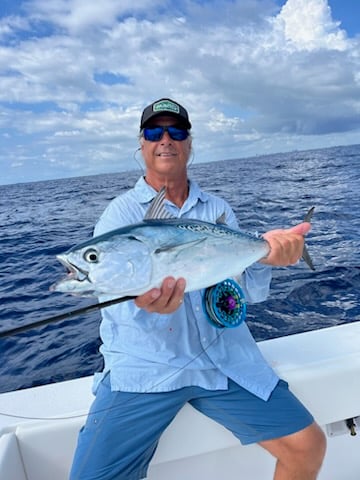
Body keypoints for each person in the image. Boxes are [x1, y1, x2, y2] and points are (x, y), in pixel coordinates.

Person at [70, 98, 326, 480]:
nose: (166, 140)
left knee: (308, 446)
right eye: (154, 132)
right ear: (141, 144)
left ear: (190, 144)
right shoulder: (120, 215)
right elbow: (113, 298)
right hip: (148, 366)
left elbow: (242, 292)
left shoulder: (216, 208)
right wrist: (143, 304)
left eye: (177, 132)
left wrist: (267, 257)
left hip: (221, 359)